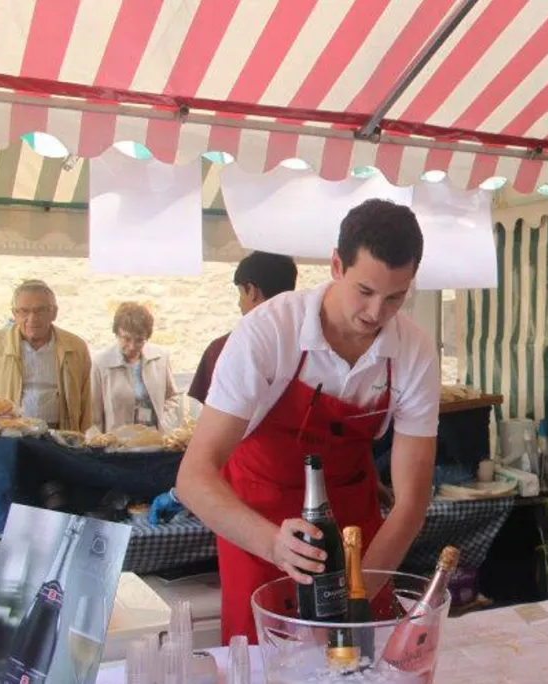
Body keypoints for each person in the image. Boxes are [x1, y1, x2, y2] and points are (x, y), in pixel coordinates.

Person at [176, 199, 441, 644]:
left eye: (395, 297)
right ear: (337, 265)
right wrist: (272, 545)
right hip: (261, 524)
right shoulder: (268, 333)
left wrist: (356, 601)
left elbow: (411, 502)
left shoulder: (414, 351)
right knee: (266, 663)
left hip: (357, 531)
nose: (376, 314)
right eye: (365, 291)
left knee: (358, 661)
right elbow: (193, 477)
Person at [0, 279, 91, 431]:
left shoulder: (75, 347)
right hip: (8, 436)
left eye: (40, 310)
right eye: (24, 311)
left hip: (60, 435)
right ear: (14, 314)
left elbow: (86, 400)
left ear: (54, 312)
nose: (32, 318)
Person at [188, 251, 298, 405]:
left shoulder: (222, 348)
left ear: (251, 291)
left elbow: (209, 416)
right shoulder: (316, 345)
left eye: (240, 295)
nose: (239, 304)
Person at [91, 302, 179, 433]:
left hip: (155, 441)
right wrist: (98, 445)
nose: (132, 346)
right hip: (117, 446)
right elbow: (94, 414)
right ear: (116, 333)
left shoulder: (161, 357)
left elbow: (172, 397)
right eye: (126, 338)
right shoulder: (100, 363)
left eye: (139, 340)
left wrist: (166, 424)